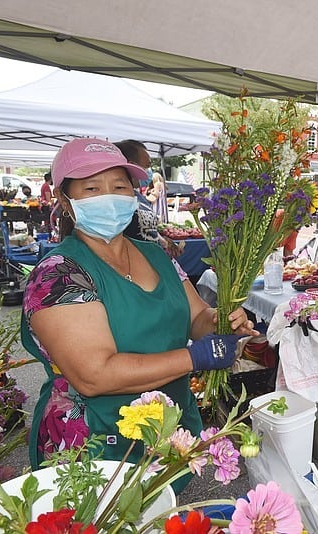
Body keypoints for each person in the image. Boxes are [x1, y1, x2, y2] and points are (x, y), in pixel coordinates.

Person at [20, 138, 256, 492]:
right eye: (91, 188)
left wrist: (223, 321)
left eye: (119, 186)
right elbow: (95, 375)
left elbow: (196, 317)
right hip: (97, 440)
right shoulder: (59, 274)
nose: (109, 196)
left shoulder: (157, 254)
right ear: (66, 202)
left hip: (168, 428)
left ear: (134, 193)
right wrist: (195, 357)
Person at [114, 140, 180, 257]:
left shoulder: (138, 197)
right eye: (147, 166)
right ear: (132, 166)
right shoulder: (114, 202)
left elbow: (145, 231)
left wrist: (163, 241)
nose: (149, 172)